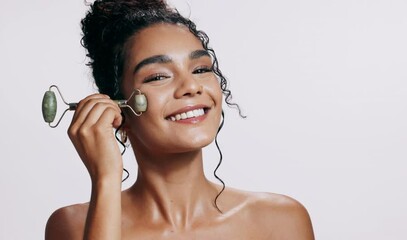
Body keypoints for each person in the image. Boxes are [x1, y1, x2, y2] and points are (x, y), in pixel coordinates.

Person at [45, 1, 315, 239]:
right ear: (118, 108)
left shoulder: (281, 221)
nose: (191, 86)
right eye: (158, 76)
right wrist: (105, 179)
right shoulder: (72, 226)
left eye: (200, 69)